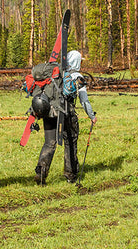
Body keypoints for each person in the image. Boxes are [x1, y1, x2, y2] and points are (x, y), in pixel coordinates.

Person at [35, 50, 97, 185]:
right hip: (66, 113)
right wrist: (92, 116)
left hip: (49, 112)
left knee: (49, 143)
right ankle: (70, 175)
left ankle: (40, 174)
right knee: (70, 141)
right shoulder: (76, 76)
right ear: (77, 62)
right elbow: (84, 100)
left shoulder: (56, 74)